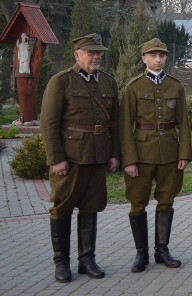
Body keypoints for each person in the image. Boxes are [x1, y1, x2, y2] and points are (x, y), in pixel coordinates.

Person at [40, 34, 120, 283]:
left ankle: (87, 259)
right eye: (91, 52)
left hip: (97, 158)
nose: (97, 56)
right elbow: (49, 123)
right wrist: (56, 158)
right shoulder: (61, 82)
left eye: (99, 52)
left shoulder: (109, 82)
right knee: (62, 209)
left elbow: (114, 123)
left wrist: (115, 154)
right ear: (77, 55)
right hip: (71, 159)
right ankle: (61, 262)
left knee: (90, 208)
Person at [120, 38, 192, 272]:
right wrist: (129, 160)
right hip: (141, 155)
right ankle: (141, 253)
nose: (158, 59)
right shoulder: (134, 87)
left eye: (161, 55)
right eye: (153, 55)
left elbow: (183, 123)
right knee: (138, 203)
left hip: (170, 153)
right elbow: (125, 127)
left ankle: (162, 250)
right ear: (144, 58)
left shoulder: (175, 86)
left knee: (166, 200)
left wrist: (184, 154)